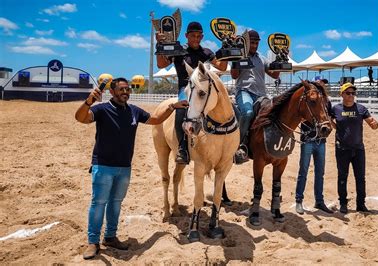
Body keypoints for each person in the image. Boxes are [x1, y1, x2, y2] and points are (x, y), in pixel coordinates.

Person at [75, 78, 188, 259]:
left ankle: (110, 237)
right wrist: (89, 102)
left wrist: (173, 107)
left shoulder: (133, 111)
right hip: (103, 166)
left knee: (115, 203)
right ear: (112, 92)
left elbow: (155, 119)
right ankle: (93, 242)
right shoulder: (102, 109)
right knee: (98, 204)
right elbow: (80, 118)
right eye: (121, 89)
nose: (125, 92)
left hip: (124, 168)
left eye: (127, 89)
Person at [156, 22, 228, 164]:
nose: (196, 39)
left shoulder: (207, 52)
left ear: (202, 36)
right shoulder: (177, 51)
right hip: (186, 89)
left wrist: (226, 48)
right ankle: (182, 148)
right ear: (186, 36)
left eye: (198, 36)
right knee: (181, 112)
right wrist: (159, 44)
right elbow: (161, 64)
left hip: (204, 90)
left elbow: (222, 67)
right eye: (193, 36)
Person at [232, 30, 281, 164]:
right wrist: (236, 57)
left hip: (261, 94)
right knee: (248, 113)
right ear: (247, 43)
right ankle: (239, 146)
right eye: (252, 43)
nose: (254, 46)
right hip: (244, 91)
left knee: (273, 112)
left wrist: (280, 60)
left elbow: (275, 75)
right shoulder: (240, 55)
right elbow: (234, 75)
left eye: (256, 43)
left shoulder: (262, 58)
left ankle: (268, 144)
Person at [331, 82, 378, 214]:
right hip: (342, 149)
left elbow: (372, 124)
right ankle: (343, 203)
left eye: (353, 93)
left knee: (360, 177)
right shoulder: (336, 109)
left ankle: (361, 204)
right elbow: (329, 121)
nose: (351, 95)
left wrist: (375, 124)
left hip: (358, 149)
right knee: (342, 176)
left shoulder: (361, 109)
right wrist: (337, 129)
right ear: (342, 94)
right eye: (348, 93)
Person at [295, 79, 333, 214]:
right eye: (318, 84)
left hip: (320, 141)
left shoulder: (326, 103)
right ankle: (298, 200)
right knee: (303, 171)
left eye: (323, 84)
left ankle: (319, 201)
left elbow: (330, 118)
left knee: (319, 172)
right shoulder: (308, 101)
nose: (321, 85)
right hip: (308, 139)